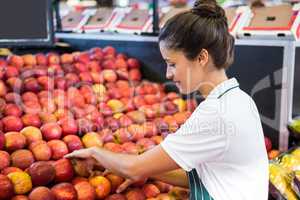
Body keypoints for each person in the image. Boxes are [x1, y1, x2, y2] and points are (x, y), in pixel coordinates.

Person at [65, 0, 269, 199]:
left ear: (201, 57)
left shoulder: (217, 114)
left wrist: (96, 153)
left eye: (172, 64)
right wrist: (145, 168)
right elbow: (206, 178)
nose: (168, 74)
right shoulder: (239, 99)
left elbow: (134, 169)